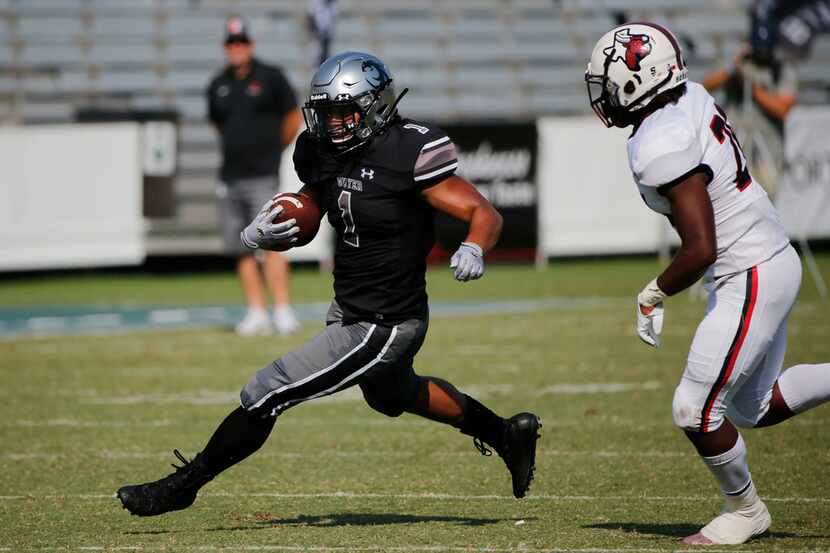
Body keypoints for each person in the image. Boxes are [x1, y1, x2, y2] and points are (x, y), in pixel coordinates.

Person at [116, 51, 542, 517]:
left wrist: (475, 246)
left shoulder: (408, 151)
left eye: (344, 111)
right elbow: (313, 206)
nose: (333, 123)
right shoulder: (320, 149)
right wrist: (266, 231)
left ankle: (184, 485)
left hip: (385, 320)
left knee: (267, 390)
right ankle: (505, 433)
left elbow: (484, 212)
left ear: (376, 105)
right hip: (352, 307)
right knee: (392, 394)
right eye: (326, 112)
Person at [585, 23, 830, 545]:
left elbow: (700, 248)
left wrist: (654, 291)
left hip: (749, 268)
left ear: (639, 80)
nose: (604, 94)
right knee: (751, 407)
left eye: (610, 82)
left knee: (694, 409)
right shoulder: (689, 96)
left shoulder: (659, 139)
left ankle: (745, 510)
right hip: (767, 258)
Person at [207, 16, 303, 336]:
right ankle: (256, 311)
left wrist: (275, 149)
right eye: (232, 43)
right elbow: (219, 126)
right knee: (241, 247)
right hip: (231, 176)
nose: (237, 48)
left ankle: (283, 310)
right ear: (225, 47)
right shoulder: (217, 85)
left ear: (251, 44)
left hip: (263, 174)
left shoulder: (272, 77)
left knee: (272, 244)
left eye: (242, 42)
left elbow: (292, 117)